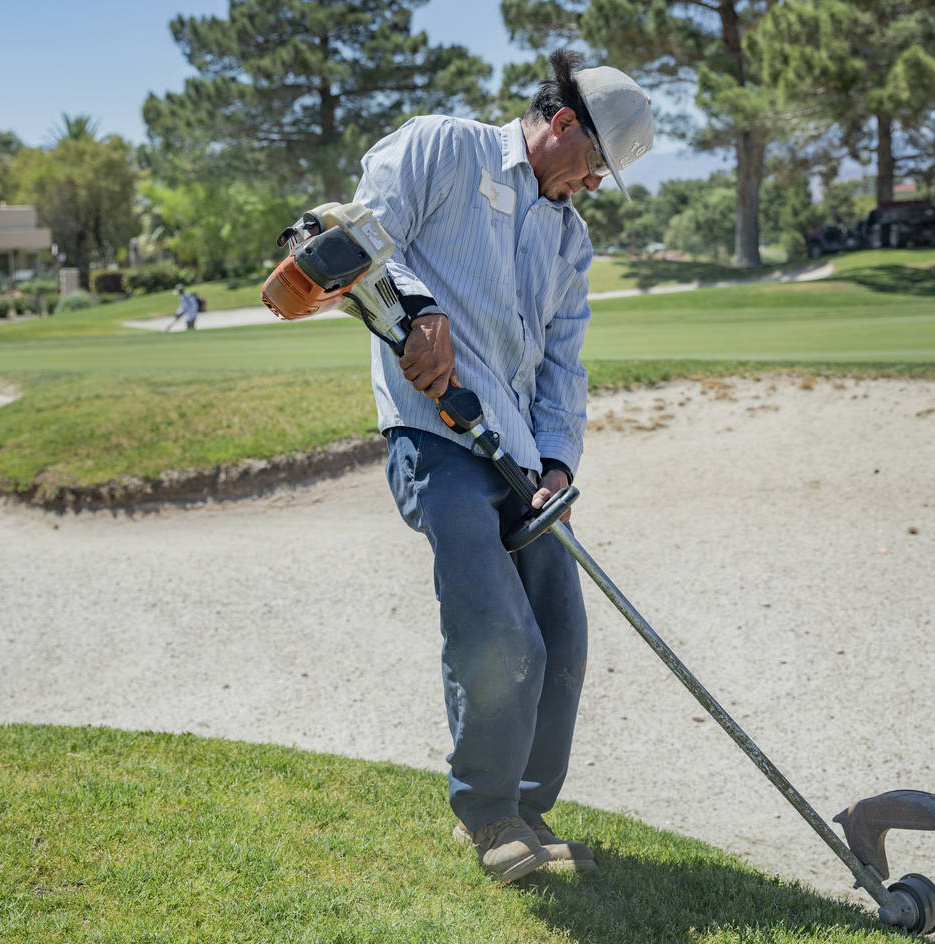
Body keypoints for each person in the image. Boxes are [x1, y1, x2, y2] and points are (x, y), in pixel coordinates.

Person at [352, 49, 653, 883]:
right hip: (435, 438)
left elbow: (563, 362)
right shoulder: (442, 147)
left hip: (522, 457)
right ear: (561, 126)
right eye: (594, 165)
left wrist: (558, 461)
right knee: (497, 632)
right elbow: (359, 233)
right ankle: (485, 816)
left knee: (561, 638)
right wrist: (422, 312)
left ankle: (527, 811)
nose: (592, 185)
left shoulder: (568, 236)